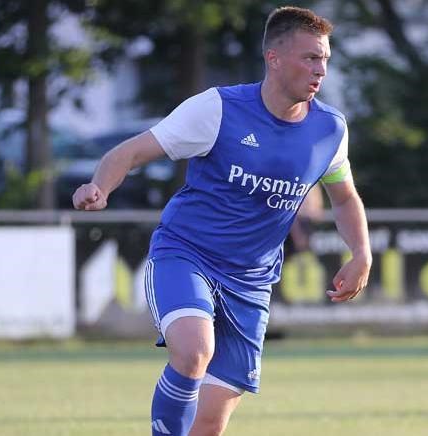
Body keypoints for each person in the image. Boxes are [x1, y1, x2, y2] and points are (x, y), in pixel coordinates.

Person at [72, 6, 371, 436]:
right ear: (273, 58)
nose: (320, 69)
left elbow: (344, 198)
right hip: (186, 256)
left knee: (210, 424)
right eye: (310, 57)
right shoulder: (218, 109)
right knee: (194, 351)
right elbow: (130, 152)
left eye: (324, 59)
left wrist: (361, 253)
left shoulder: (329, 130)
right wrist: (99, 186)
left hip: (251, 281)